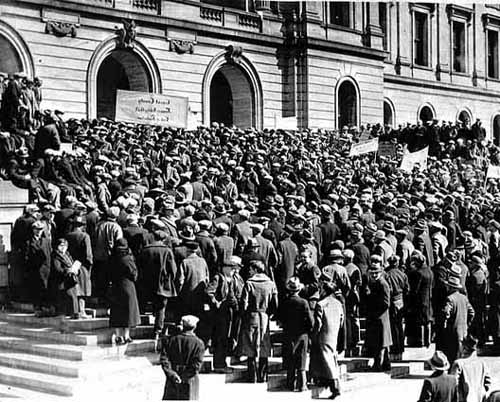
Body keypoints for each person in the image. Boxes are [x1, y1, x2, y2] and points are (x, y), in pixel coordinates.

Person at [238, 260, 278, 383]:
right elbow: (275, 303)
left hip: (251, 315)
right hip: (264, 316)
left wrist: (244, 314)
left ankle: (252, 376)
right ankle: (263, 376)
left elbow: (244, 302)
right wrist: (269, 314)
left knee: (250, 345)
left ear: (255, 270)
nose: (249, 271)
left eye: (250, 269)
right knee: (264, 345)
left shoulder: (249, 283)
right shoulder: (271, 284)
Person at [137, 230, 178, 341]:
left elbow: (139, 266)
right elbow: (173, 269)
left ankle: (140, 325)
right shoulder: (167, 251)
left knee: (148, 302)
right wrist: (172, 279)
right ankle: (157, 330)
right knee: (161, 307)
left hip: (147, 282)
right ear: (163, 239)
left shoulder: (145, 250)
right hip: (163, 283)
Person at [309, 270, 344, 399]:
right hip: (334, 334)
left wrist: (314, 335)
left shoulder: (321, 304)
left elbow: (318, 324)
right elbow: (341, 320)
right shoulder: (338, 303)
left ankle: (335, 386)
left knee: (327, 360)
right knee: (331, 358)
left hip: (324, 334)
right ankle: (328, 382)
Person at [206, 257, 243, 373]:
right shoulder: (218, 278)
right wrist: (216, 303)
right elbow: (209, 292)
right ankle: (219, 364)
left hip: (228, 313)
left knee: (225, 338)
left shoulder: (231, 279)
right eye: (231, 268)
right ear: (225, 268)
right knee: (220, 338)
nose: (233, 271)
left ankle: (222, 362)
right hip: (219, 314)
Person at [277, 277, 313, 392]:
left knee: (290, 358)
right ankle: (302, 385)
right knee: (301, 359)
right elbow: (311, 321)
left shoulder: (285, 302)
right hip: (302, 334)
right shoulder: (303, 302)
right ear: (299, 289)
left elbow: (280, 318)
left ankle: (290, 383)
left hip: (288, 333)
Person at [159, 315, 205, 400]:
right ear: (195, 327)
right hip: (190, 380)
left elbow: (164, 360)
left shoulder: (171, 340)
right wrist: (184, 377)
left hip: (172, 379)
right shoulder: (199, 343)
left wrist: (173, 375)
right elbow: (196, 365)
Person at [109, 238, 141, 345]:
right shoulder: (127, 259)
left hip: (115, 286)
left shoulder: (112, 258)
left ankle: (118, 336)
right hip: (127, 286)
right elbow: (134, 274)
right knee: (128, 312)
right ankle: (126, 336)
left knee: (117, 311)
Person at [364, 254, 392, 371]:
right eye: (372, 273)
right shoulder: (375, 282)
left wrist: (372, 301)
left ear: (380, 272)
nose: (374, 275)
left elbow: (386, 303)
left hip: (380, 317)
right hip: (378, 317)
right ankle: (385, 363)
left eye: (376, 273)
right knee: (381, 342)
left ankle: (378, 365)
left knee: (380, 343)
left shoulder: (382, 284)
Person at [438, 276, 475, 365]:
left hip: (452, 332)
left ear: (450, 287)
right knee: (461, 355)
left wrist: (444, 325)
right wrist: (467, 324)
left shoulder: (450, 299)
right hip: (463, 331)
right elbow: (472, 313)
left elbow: (446, 313)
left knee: (452, 355)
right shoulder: (464, 298)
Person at [450, 335, 491, 402]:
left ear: (464, 348)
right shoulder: (482, 363)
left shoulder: (459, 363)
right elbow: (488, 383)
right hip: (479, 398)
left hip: (464, 399)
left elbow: (453, 385)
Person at [49, 238, 79, 318]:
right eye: (61, 246)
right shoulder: (55, 255)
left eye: (65, 246)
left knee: (73, 295)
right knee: (67, 296)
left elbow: (72, 263)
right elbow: (57, 268)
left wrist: (75, 269)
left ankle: (75, 313)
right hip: (62, 280)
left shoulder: (67, 254)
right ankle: (68, 313)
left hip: (70, 278)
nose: (63, 248)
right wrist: (67, 270)